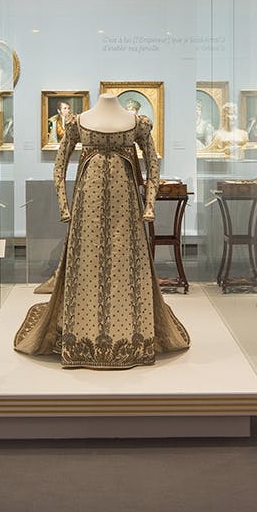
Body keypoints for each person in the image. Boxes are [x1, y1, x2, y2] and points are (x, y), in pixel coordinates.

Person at [14, 92, 188, 368]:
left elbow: (152, 164)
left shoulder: (138, 123)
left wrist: (149, 205)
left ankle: (131, 336)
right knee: (86, 266)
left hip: (126, 207)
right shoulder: (78, 122)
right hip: (88, 207)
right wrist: (64, 206)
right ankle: (81, 338)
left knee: (126, 266)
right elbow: (59, 166)